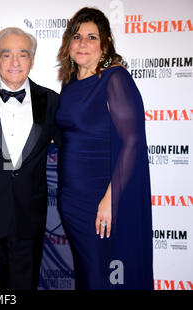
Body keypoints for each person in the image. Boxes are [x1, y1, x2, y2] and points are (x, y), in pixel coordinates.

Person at [55, 7, 153, 289]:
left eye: (91, 37)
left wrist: (110, 200)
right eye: (76, 36)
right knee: (88, 274)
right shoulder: (70, 85)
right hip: (72, 200)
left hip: (103, 199)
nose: (82, 43)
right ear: (68, 44)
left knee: (108, 275)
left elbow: (131, 142)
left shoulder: (115, 79)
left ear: (105, 43)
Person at [0, 27, 60, 290]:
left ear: (33, 60)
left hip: (30, 217)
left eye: (23, 55)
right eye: (6, 55)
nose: (15, 63)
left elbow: (74, 147)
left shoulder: (52, 101)